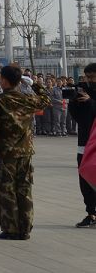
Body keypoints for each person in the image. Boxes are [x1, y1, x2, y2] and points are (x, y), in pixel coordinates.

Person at [0, 64, 50, 240]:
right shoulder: (28, 99)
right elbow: (45, 100)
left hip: (5, 153)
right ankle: (25, 228)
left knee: (6, 191)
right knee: (24, 189)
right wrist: (34, 84)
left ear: (4, 81)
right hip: (25, 152)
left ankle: (11, 229)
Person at [67, 62, 96, 228]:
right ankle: (91, 212)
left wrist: (91, 101)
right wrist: (75, 102)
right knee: (84, 177)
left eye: (92, 77)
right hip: (84, 142)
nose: (89, 80)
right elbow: (77, 116)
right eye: (87, 77)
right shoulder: (82, 90)